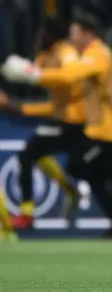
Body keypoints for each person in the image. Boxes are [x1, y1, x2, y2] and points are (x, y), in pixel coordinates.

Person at [2, 13, 112, 240]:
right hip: (95, 126)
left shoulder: (97, 54)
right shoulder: (81, 54)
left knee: (96, 169)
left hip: (104, 128)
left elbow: (70, 76)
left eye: (74, 34)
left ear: (86, 34)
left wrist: (33, 76)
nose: (72, 38)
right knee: (92, 172)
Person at [0, 18, 80, 229]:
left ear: (52, 35)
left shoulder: (66, 51)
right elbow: (25, 73)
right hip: (61, 117)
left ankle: (34, 210)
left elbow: (69, 76)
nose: (38, 39)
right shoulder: (44, 56)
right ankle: (62, 193)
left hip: (79, 119)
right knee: (31, 154)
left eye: (41, 33)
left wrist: (16, 104)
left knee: (31, 155)